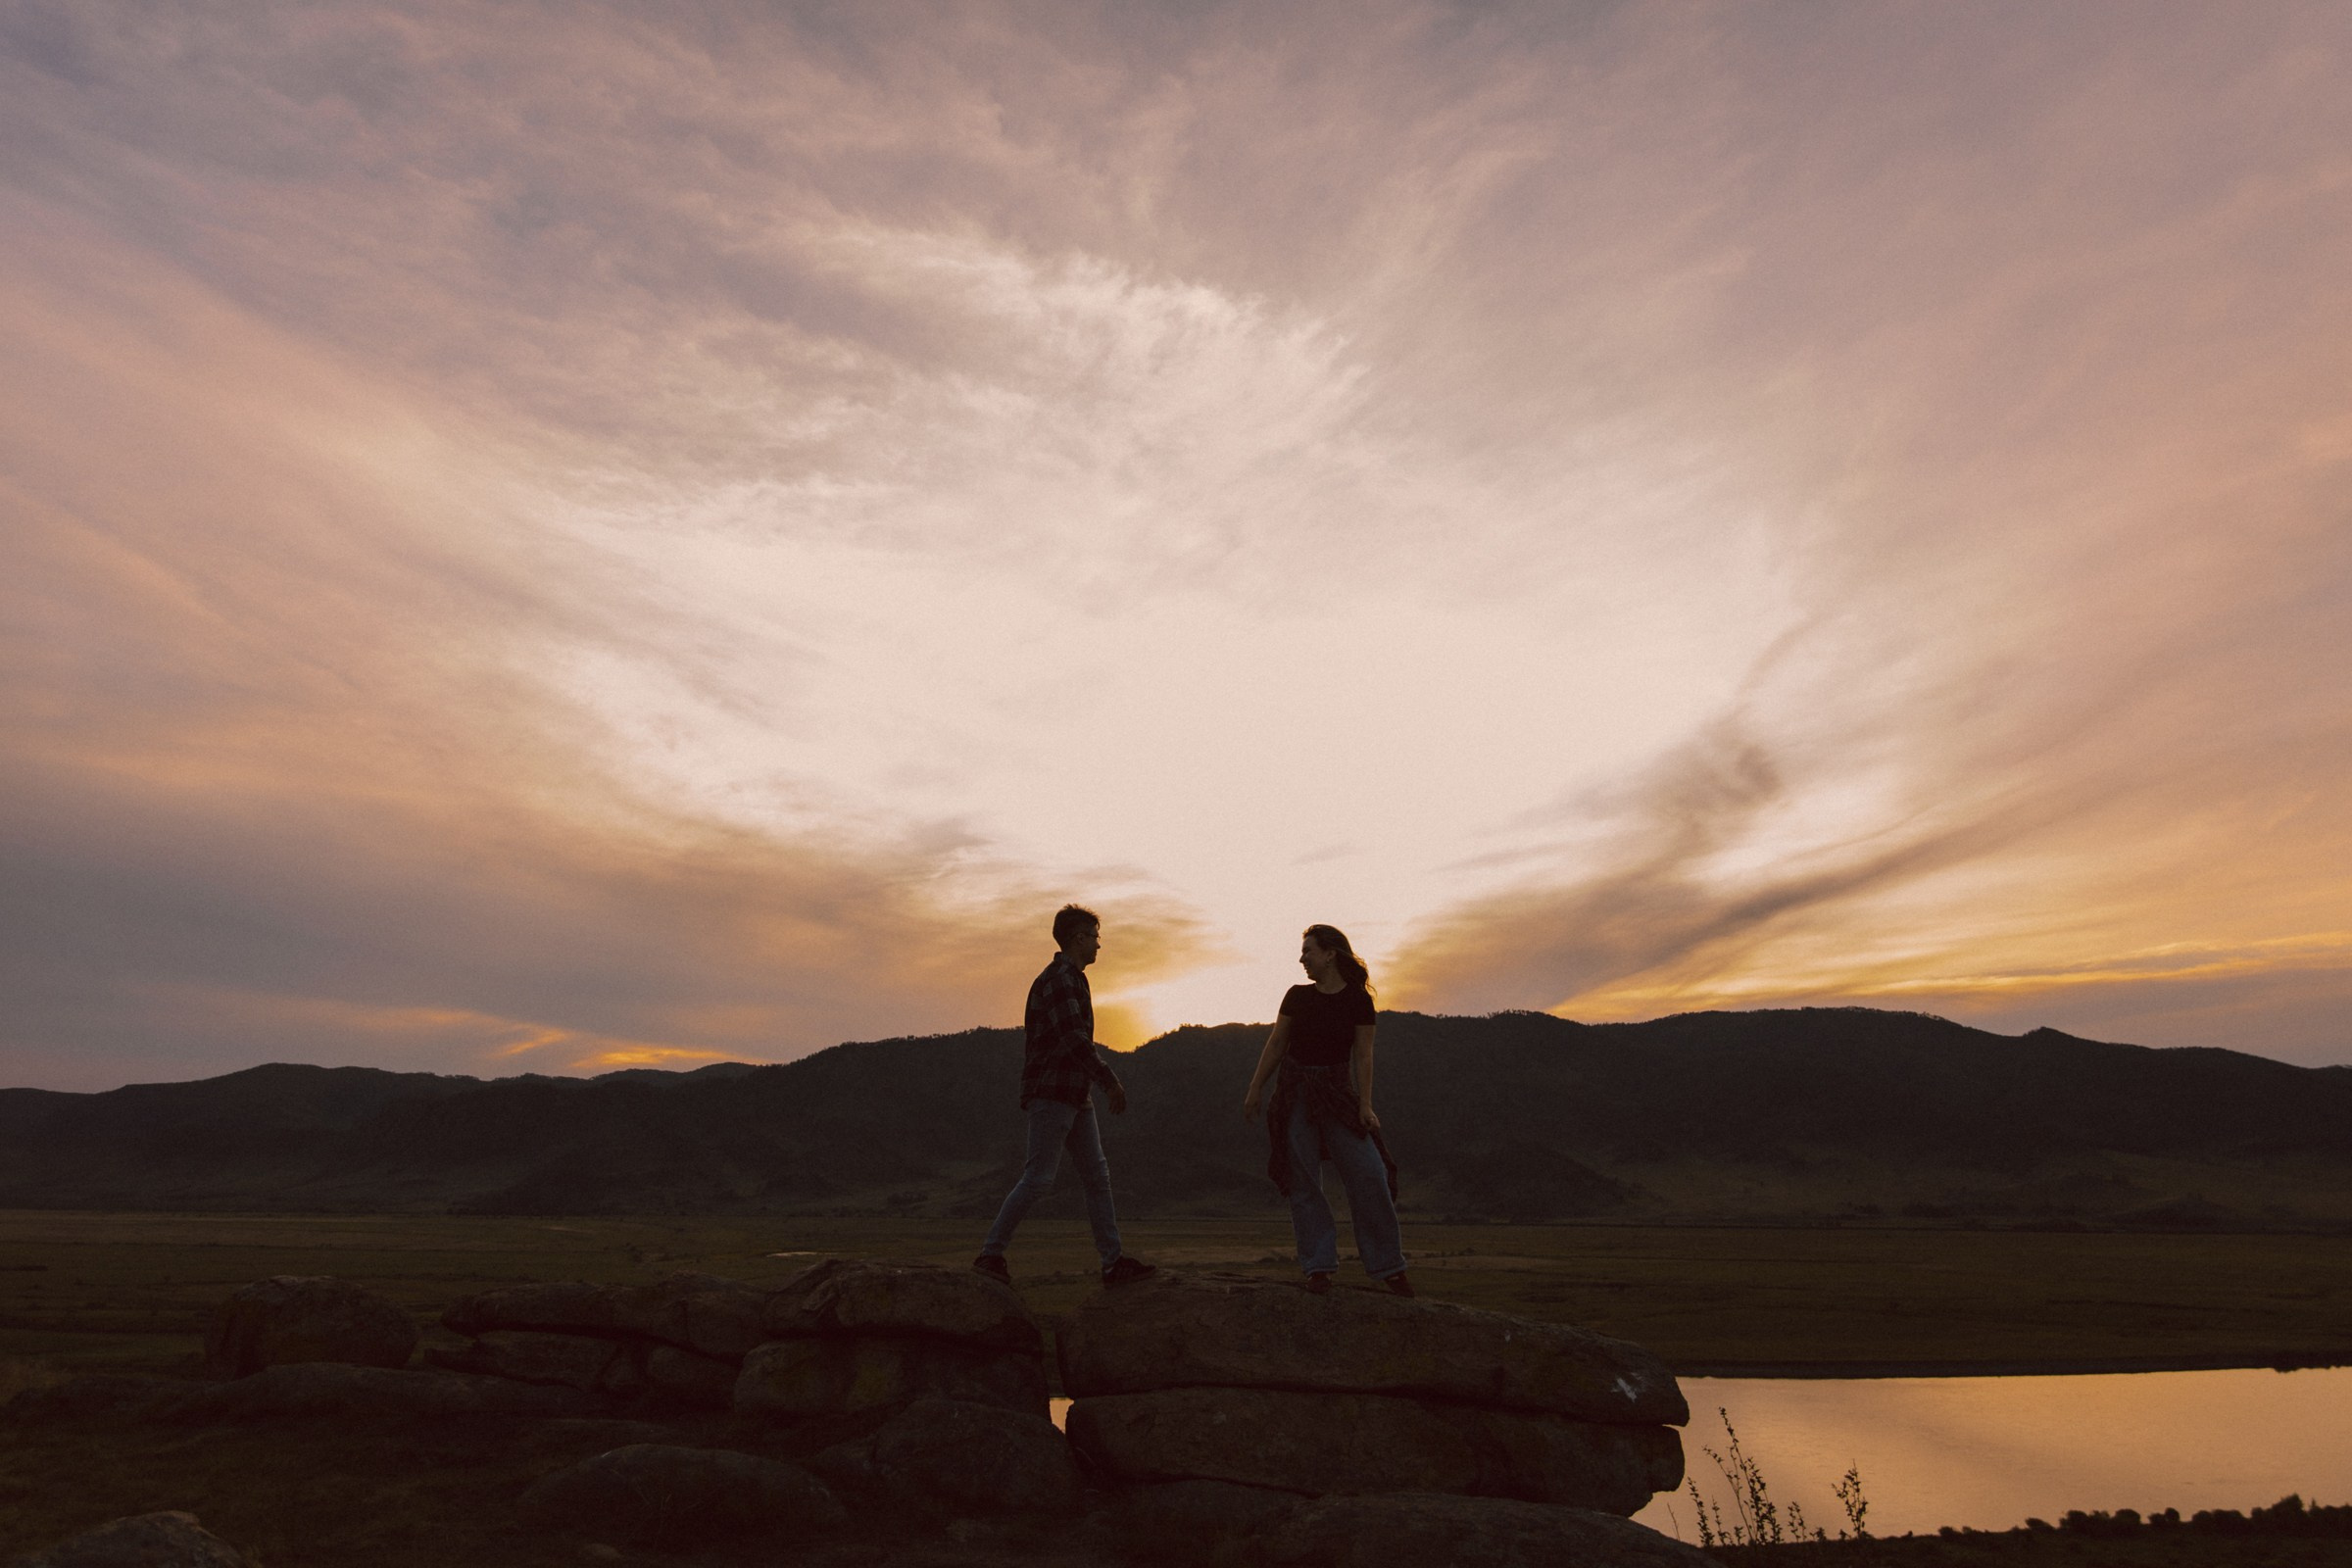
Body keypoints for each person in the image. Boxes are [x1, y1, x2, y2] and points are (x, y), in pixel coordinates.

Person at [974, 905, 1157, 1288]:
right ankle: (990, 1255)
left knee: (1097, 1177)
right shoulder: (1060, 979)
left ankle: (1112, 1264)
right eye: (1094, 937)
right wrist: (1109, 1079)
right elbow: (1073, 1036)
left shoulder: (1073, 978)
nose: (1098, 946)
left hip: (1074, 1095)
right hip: (1054, 1092)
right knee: (1039, 1178)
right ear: (1078, 938)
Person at [1242, 924, 1411, 1297]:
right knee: (1304, 1182)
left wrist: (1366, 1105)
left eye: (1308, 951)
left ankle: (1389, 1266)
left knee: (1370, 1172)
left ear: (1330, 953)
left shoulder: (1358, 1001)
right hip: (1295, 1093)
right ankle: (1318, 1267)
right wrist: (1256, 1088)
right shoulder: (1297, 996)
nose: (1302, 958)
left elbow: (1364, 1055)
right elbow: (1276, 1044)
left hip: (1337, 1093)